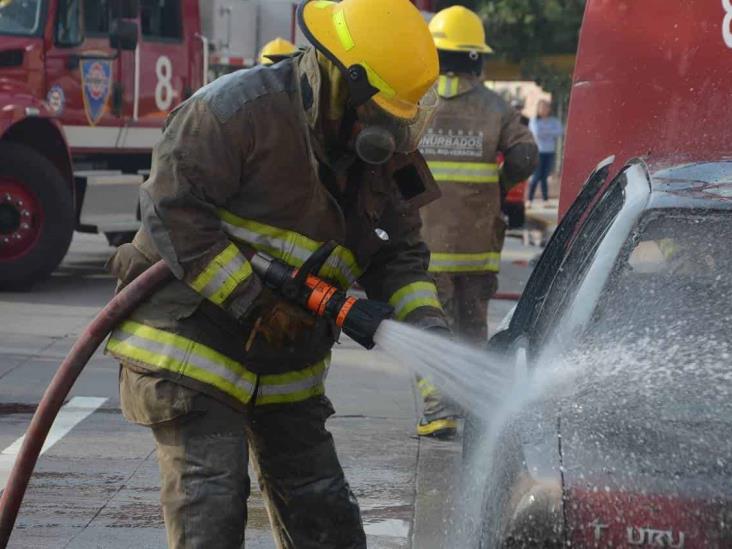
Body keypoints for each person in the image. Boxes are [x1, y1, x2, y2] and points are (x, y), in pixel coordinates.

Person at [103, 0, 449, 547]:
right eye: (380, 114)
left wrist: (430, 334)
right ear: (342, 85)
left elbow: (399, 256)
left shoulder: (386, 156)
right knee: (212, 506)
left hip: (288, 364)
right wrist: (256, 303)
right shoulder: (234, 115)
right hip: (193, 347)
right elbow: (174, 210)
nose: (388, 134)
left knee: (326, 520)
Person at [416, 6, 538, 439]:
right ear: (475, 57)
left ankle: (437, 411)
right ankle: (470, 407)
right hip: (478, 248)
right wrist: (498, 186)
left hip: (424, 245)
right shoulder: (495, 107)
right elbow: (524, 156)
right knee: (471, 328)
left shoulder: (416, 101)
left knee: (431, 326)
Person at [528, 99, 563, 206]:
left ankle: (545, 199)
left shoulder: (554, 121)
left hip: (549, 152)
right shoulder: (534, 120)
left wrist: (545, 132)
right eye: (542, 107)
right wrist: (550, 132)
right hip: (538, 151)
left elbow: (560, 131)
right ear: (538, 109)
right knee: (536, 175)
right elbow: (536, 133)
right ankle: (529, 199)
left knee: (544, 176)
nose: (544, 109)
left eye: (546, 107)